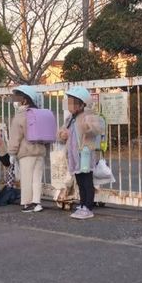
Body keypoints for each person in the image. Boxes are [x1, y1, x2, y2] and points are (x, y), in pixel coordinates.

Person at [58, 86, 103, 219]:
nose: (70, 105)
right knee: (80, 180)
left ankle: (88, 207)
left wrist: (88, 127)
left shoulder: (88, 116)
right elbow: (60, 134)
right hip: (74, 156)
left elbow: (97, 129)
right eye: (70, 102)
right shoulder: (70, 118)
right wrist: (62, 135)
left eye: (73, 102)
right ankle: (83, 203)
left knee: (86, 181)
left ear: (82, 104)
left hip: (85, 155)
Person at [7, 85, 46, 213]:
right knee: (37, 178)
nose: (15, 101)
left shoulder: (20, 116)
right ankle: (37, 203)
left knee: (26, 178)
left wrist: (12, 153)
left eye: (17, 98)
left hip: (26, 152)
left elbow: (15, 137)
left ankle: (27, 204)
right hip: (40, 151)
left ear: (24, 100)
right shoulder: (39, 114)